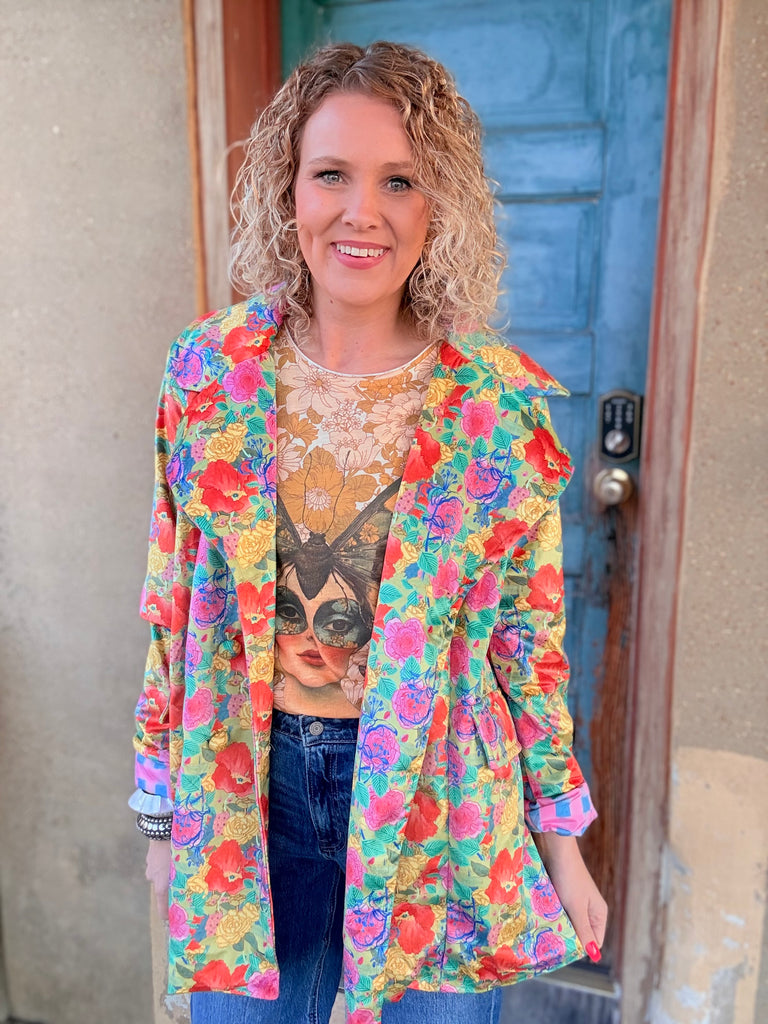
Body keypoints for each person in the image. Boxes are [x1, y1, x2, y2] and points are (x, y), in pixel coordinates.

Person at [131, 40, 607, 1024]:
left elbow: (529, 643)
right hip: (244, 810)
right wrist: (162, 819)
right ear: (289, 189)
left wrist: (562, 844)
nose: (363, 211)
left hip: (440, 819)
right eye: (332, 174)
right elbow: (171, 602)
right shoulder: (208, 372)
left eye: (400, 180)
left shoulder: (498, 406)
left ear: (441, 206)